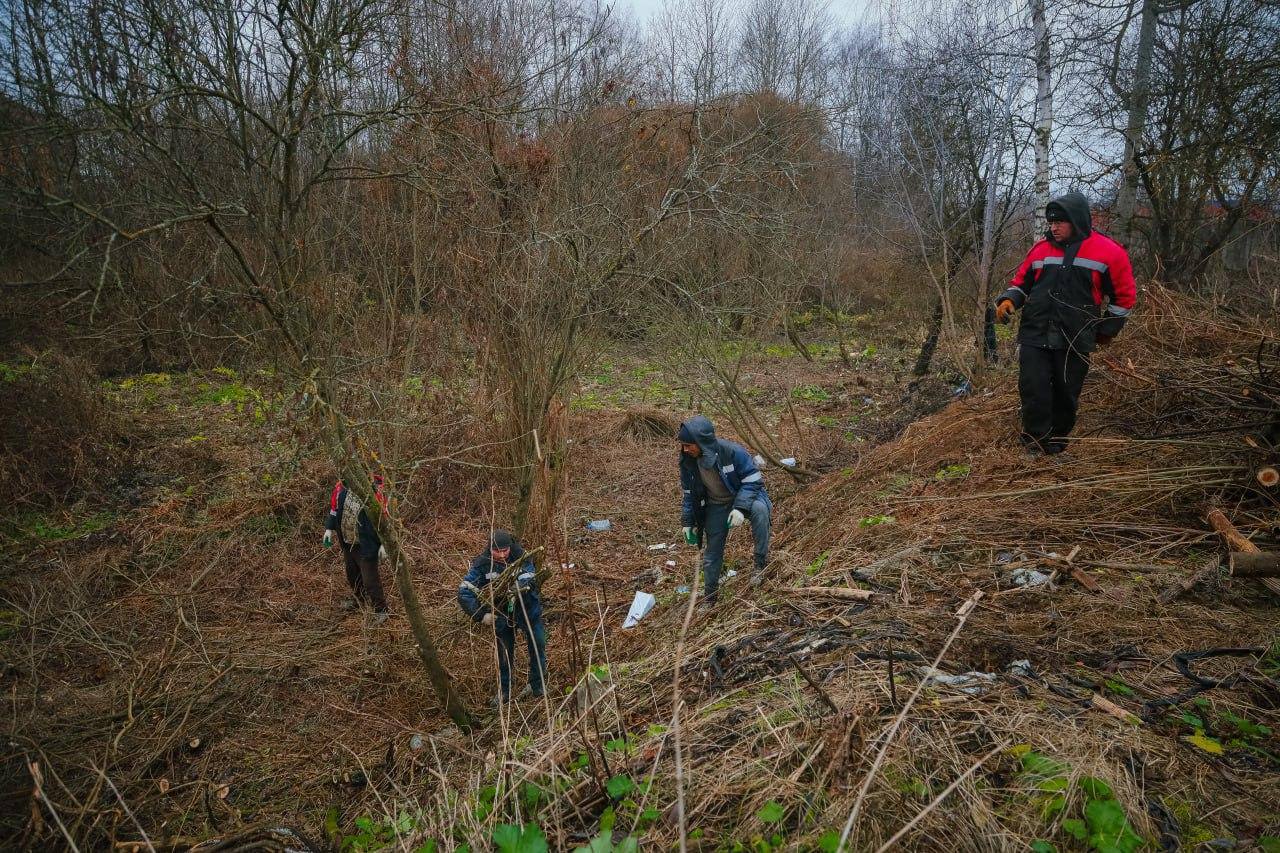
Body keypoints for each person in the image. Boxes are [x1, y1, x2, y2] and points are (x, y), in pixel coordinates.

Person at [995, 191, 1137, 454]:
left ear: (1077, 220)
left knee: (1066, 393)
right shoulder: (1040, 250)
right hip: (1035, 332)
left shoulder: (1110, 253)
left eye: (1059, 222)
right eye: (1051, 222)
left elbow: (1124, 297)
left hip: (1075, 336)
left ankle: (1057, 444)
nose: (1054, 227)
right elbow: (1022, 284)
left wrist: (1106, 331)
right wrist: (1008, 300)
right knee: (1033, 389)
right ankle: (1034, 444)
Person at [677, 415, 772, 607]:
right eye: (683, 445)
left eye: (689, 445)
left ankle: (760, 564)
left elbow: (753, 481)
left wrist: (740, 508)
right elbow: (689, 494)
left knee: (760, 511)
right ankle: (710, 595)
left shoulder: (732, 452)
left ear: (701, 442)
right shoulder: (687, 462)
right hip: (716, 504)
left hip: (743, 496)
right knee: (712, 549)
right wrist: (688, 522)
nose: (685, 449)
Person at [457, 529, 547, 706]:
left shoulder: (521, 556)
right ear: (490, 549)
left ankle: (538, 685)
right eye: (497, 551)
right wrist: (482, 615)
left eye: (505, 551)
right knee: (504, 653)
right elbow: (464, 592)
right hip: (501, 614)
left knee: (538, 645)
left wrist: (519, 585)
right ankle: (504, 691)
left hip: (528, 610)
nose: (501, 555)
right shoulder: (482, 565)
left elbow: (529, 576)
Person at [322, 475, 390, 624]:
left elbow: (384, 518)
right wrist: (329, 528)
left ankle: (381, 609)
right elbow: (334, 509)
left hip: (366, 543)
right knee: (352, 573)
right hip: (347, 541)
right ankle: (359, 600)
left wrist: (385, 543)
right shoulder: (341, 488)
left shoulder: (374, 491)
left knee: (370, 580)